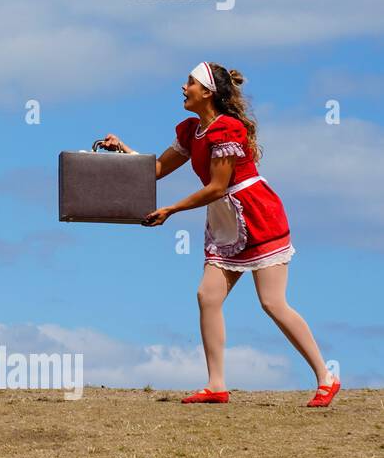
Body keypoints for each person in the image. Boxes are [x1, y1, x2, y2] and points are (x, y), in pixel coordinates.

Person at [101, 63, 340, 407]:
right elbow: (155, 171)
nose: (183, 88)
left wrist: (170, 210)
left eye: (190, 83)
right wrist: (123, 150)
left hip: (256, 214)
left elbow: (216, 187)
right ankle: (216, 385)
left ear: (208, 93)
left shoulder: (226, 129)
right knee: (207, 296)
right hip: (226, 219)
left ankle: (326, 377)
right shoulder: (191, 131)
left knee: (272, 302)